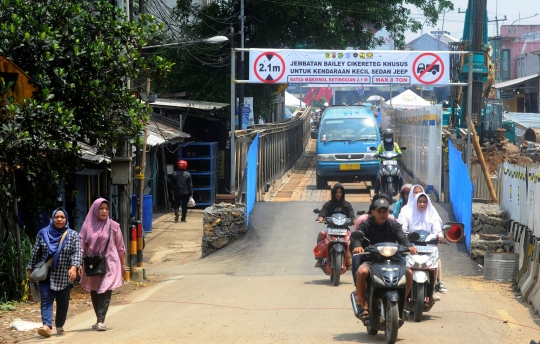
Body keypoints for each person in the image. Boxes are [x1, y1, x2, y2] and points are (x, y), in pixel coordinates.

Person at [350, 198, 417, 319]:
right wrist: (358, 246)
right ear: (373, 212)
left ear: (388, 213)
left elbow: (402, 237)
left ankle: (401, 303)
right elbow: (357, 237)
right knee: (362, 271)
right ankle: (365, 305)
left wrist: (409, 246)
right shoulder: (366, 224)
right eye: (379, 211)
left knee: (409, 273)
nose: (382, 214)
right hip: (371, 259)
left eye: (384, 211)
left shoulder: (394, 225)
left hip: (392, 259)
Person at [27, 208, 82, 337]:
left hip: (65, 275)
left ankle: (60, 325)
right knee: (46, 300)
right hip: (47, 274)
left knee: (63, 302)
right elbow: (36, 253)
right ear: (52, 218)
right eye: (57, 217)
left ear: (66, 219)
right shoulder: (43, 233)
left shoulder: (73, 235)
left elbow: (77, 252)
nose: (59, 219)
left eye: (62, 217)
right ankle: (46, 326)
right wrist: (30, 270)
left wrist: (74, 267)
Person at [79, 198, 126, 331]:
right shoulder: (87, 226)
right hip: (93, 262)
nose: (104, 211)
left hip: (110, 262)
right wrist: (78, 263)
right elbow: (81, 247)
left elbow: (120, 247)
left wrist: (123, 265)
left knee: (105, 289)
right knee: (94, 290)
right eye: (101, 208)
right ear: (95, 209)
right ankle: (98, 318)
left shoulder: (114, 226)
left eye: (106, 208)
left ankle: (101, 320)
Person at [400, 192, 448, 293]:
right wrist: (403, 234)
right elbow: (403, 227)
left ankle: (438, 283)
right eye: (420, 201)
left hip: (428, 245)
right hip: (411, 245)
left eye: (424, 202)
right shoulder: (408, 213)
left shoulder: (432, 214)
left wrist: (440, 236)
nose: (422, 204)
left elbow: (437, 228)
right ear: (415, 202)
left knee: (437, 258)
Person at [315, 183, 355, 267]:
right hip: (330, 228)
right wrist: (321, 218)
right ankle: (319, 258)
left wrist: (354, 220)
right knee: (321, 233)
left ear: (343, 193)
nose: (338, 194)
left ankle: (351, 259)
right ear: (333, 193)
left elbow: (352, 216)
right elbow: (322, 213)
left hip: (344, 229)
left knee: (353, 238)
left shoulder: (347, 205)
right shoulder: (328, 204)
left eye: (340, 192)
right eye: (336, 192)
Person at [373, 128, 403, 195]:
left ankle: (402, 192)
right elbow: (378, 150)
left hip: (394, 164)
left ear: (392, 137)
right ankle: (376, 193)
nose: (388, 138)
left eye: (389, 136)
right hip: (383, 164)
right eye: (387, 136)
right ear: (384, 137)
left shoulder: (395, 145)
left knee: (400, 177)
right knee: (378, 177)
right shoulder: (381, 145)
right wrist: (377, 154)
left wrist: (400, 153)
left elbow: (398, 150)